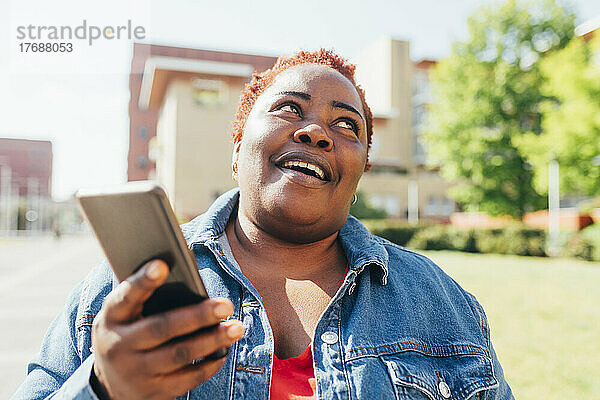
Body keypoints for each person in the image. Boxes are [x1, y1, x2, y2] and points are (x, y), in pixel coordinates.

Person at [13, 49, 514, 400]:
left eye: (347, 125)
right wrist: (103, 389)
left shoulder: (443, 305)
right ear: (237, 147)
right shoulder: (121, 289)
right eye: (289, 108)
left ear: (359, 172)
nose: (317, 130)